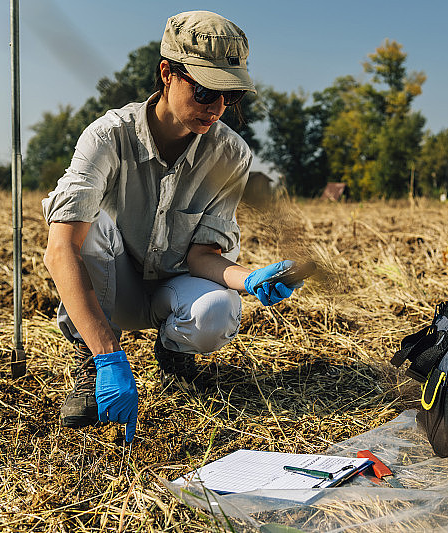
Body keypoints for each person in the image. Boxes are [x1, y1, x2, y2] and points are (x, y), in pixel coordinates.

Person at [41, 11, 302, 444]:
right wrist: (108, 354)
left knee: (218, 310)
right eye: (204, 90)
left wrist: (249, 279)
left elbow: (203, 256)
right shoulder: (107, 137)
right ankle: (92, 362)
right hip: (113, 286)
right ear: (167, 73)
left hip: (172, 287)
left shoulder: (231, 155)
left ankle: (175, 352)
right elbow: (60, 249)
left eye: (229, 95)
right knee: (91, 227)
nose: (216, 108)